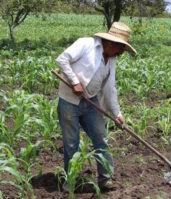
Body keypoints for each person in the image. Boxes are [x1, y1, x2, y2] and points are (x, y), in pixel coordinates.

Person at [56, 22, 136, 190]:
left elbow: (109, 88)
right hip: (69, 102)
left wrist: (117, 113)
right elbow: (62, 59)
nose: (122, 53)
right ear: (111, 43)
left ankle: (105, 178)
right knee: (71, 143)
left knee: (101, 139)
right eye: (121, 48)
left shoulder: (111, 59)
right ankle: (70, 181)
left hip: (91, 102)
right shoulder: (86, 44)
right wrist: (75, 82)